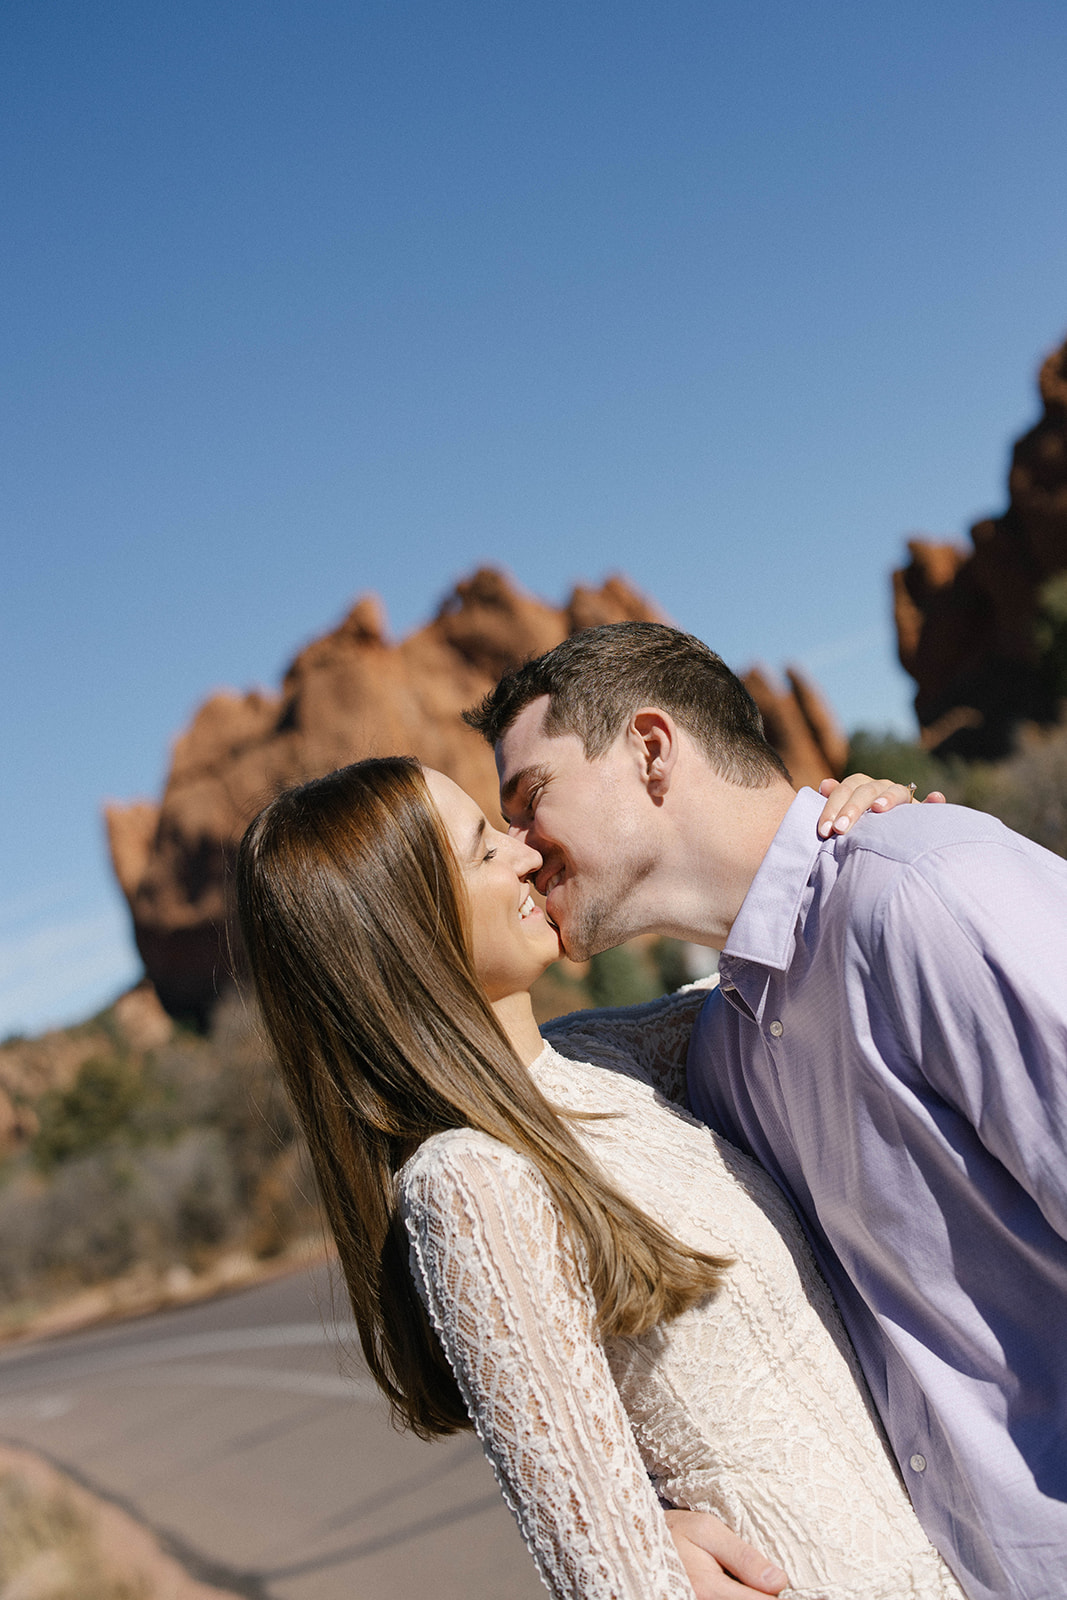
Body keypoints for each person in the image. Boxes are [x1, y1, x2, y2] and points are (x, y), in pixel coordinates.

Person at [235, 755, 966, 1600]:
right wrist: (637, 1536)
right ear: (406, 931)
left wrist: (852, 838)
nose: (522, 853)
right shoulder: (468, 1181)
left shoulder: (613, 1056)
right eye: (481, 851)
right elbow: (610, 1575)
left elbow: (800, 962)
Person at [469, 620, 1067, 1600]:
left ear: (650, 749)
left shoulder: (921, 898)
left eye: (529, 799)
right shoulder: (720, 1057)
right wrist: (639, 1526)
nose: (524, 855)